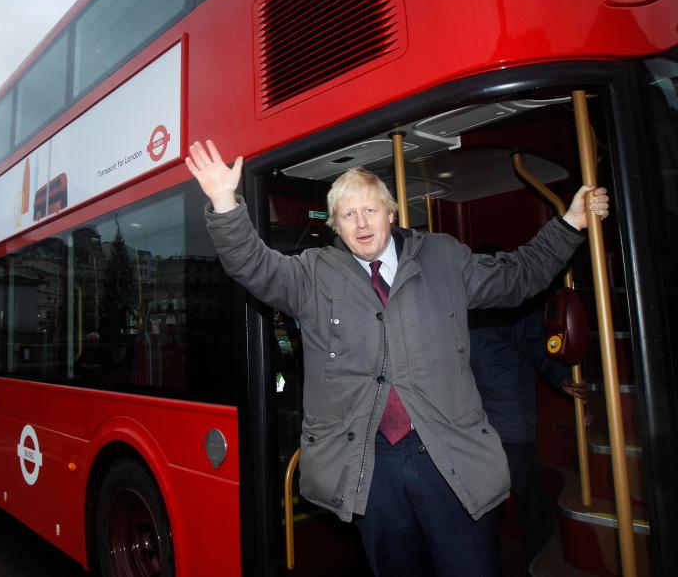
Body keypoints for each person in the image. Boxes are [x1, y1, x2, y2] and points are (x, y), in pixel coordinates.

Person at [185, 139, 609, 576]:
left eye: (370, 210)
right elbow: (253, 266)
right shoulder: (313, 274)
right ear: (335, 225)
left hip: (447, 455)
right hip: (370, 466)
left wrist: (570, 223)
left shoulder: (444, 257)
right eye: (348, 215)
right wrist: (223, 202)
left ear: (391, 214)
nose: (361, 222)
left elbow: (517, 277)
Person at [469, 300, 587, 567]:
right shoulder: (460, 301)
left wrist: (561, 377)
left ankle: (540, 558)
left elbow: (536, 345)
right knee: (482, 500)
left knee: (528, 497)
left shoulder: (513, 299)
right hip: (475, 420)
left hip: (511, 420)